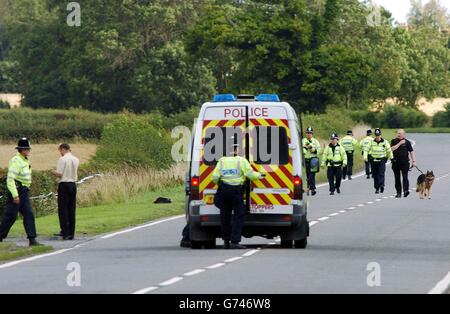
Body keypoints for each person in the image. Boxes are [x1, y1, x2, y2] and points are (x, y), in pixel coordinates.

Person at [212, 144, 264, 249]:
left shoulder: (222, 161)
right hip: (236, 191)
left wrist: (221, 185)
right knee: (238, 215)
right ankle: (235, 241)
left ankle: (226, 241)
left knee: (225, 216)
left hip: (224, 190)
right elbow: (250, 175)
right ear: (236, 150)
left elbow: (214, 177)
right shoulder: (241, 161)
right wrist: (260, 175)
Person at [0, 138, 41, 246]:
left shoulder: (25, 160)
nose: (28, 151)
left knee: (29, 214)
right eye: (26, 149)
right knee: (11, 216)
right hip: (17, 191)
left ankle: (32, 239)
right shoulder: (16, 161)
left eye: (28, 149)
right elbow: (10, 179)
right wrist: (15, 195)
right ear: (21, 149)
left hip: (24, 191)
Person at [52, 144, 80, 240]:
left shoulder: (62, 159)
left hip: (64, 184)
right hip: (73, 184)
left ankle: (64, 231)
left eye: (60, 151)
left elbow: (60, 174)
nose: (60, 153)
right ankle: (71, 232)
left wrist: (53, 171)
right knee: (71, 209)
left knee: (63, 209)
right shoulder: (76, 159)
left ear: (63, 149)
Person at [364, 128, 393, 194]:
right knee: (375, 175)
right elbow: (366, 149)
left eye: (379, 135)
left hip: (382, 160)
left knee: (381, 173)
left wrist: (392, 158)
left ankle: (381, 185)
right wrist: (365, 157)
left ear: (381, 135)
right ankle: (377, 188)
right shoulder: (371, 142)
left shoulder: (385, 142)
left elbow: (389, 150)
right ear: (375, 135)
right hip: (373, 161)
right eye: (376, 135)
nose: (378, 136)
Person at [391, 129, 416, 198]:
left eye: (400, 133)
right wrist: (400, 143)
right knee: (397, 178)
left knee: (405, 177)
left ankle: (406, 191)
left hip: (405, 163)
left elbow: (411, 151)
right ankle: (398, 193)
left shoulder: (407, 142)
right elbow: (392, 149)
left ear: (403, 134)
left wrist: (414, 161)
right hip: (395, 163)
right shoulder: (393, 141)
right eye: (398, 133)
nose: (399, 134)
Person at [303, 127, 321, 196]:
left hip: (313, 160)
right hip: (305, 160)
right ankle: (307, 188)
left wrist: (313, 150)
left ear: (312, 134)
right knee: (306, 175)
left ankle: (312, 189)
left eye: (310, 133)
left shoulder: (315, 141)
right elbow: (301, 149)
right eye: (307, 133)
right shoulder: (303, 141)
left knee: (312, 175)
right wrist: (305, 149)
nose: (309, 134)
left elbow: (319, 150)